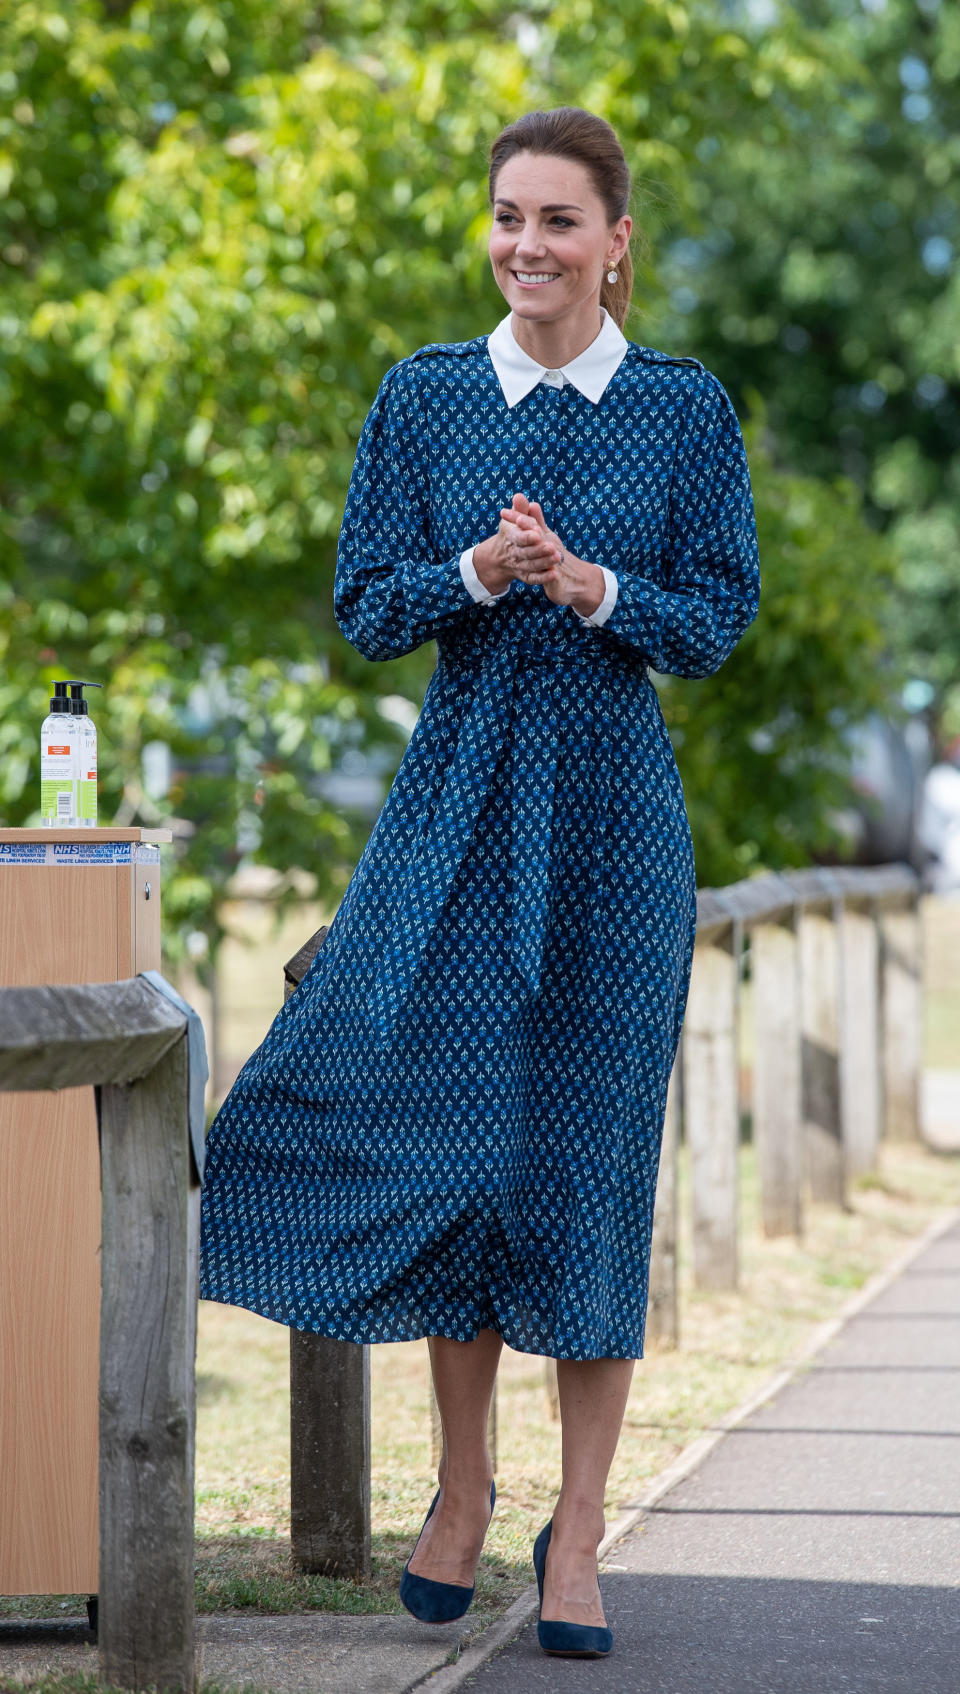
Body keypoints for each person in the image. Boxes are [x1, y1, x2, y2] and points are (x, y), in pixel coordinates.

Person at [199, 104, 761, 1659]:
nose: (528, 245)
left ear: (616, 241)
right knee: (456, 1144)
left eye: (559, 221)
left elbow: (717, 617)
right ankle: (460, 1487)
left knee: (585, 1167)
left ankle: (577, 1532)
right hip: (454, 814)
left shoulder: (685, 409)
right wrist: (475, 571)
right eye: (508, 216)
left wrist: (594, 586)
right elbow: (366, 604)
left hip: (611, 837)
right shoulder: (428, 394)